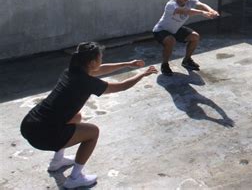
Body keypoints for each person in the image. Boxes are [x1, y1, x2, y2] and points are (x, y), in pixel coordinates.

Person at [20, 42, 157, 189]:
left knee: (76, 117)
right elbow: (121, 86)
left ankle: (57, 162)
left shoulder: (71, 71)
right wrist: (142, 74)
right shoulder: (87, 82)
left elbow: (99, 70)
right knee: (93, 132)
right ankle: (75, 178)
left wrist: (127, 64)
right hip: (43, 136)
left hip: (29, 124)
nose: (101, 61)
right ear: (92, 62)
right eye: (100, 58)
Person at [152, 0, 219, 76]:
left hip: (176, 29)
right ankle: (165, 64)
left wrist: (212, 11)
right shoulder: (171, 5)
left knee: (195, 37)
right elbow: (186, 11)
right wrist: (202, 13)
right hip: (161, 30)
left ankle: (187, 60)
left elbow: (201, 5)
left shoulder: (190, 0)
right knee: (171, 40)